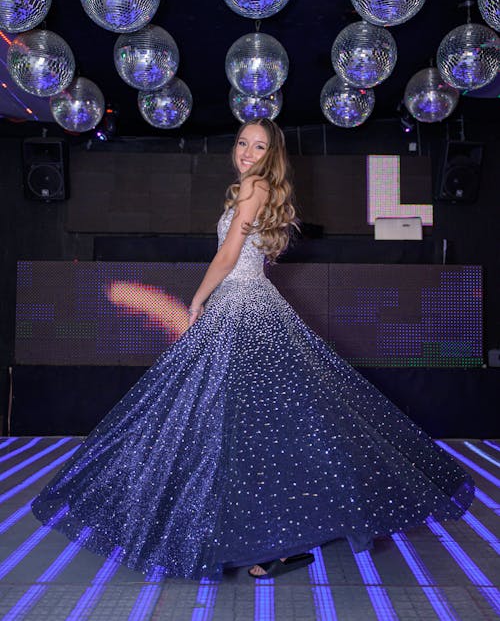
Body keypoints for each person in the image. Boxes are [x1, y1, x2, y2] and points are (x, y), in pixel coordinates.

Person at [32, 118, 474, 581]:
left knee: (227, 419)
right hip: (248, 305)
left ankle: (254, 540)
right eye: (242, 142)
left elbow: (228, 257)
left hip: (241, 306)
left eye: (258, 146)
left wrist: (197, 300)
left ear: (272, 153)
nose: (246, 151)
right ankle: (264, 546)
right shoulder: (250, 188)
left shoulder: (255, 187)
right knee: (253, 424)